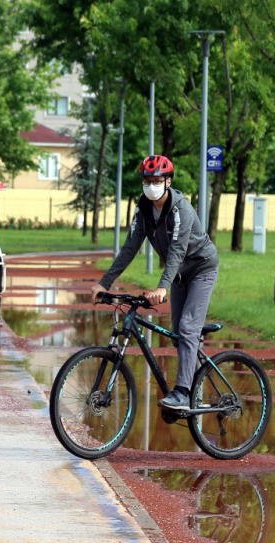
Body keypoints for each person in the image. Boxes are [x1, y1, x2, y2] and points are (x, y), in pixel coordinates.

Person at [91, 155, 219, 410]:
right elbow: (130, 247)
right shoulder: (143, 210)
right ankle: (197, 387)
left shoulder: (181, 208)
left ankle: (183, 393)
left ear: (168, 181)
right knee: (178, 336)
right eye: (147, 181)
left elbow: (177, 251)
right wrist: (104, 283)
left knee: (187, 328)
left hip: (201, 268)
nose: (151, 185)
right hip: (180, 275)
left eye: (157, 180)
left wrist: (162, 287)